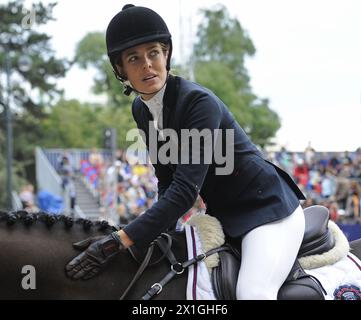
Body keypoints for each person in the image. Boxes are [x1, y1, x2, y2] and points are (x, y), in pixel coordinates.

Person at [65, 4, 306, 300]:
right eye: (134, 58)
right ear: (120, 69)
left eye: (153, 53)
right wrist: (154, 235)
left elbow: (183, 191)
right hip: (225, 218)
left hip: (268, 211)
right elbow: (166, 180)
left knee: (253, 293)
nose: (147, 65)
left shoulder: (198, 103)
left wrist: (120, 240)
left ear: (166, 54)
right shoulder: (141, 108)